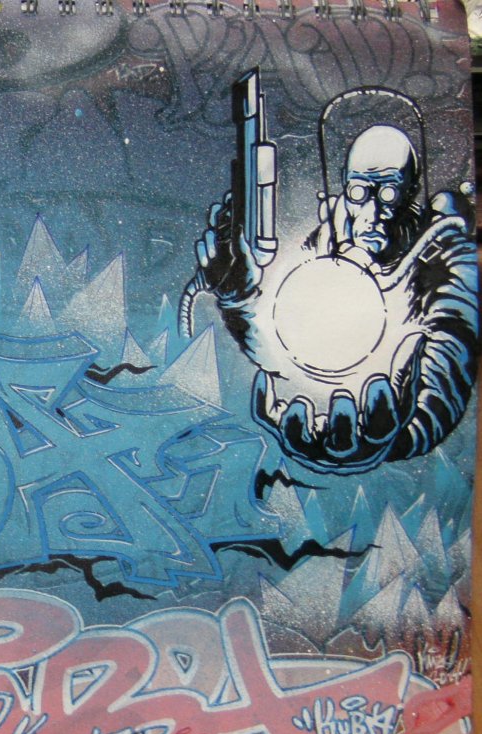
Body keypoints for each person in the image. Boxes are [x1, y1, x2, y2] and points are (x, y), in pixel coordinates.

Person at [196, 124, 478, 473]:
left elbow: (452, 351)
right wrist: (238, 298)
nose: (372, 212)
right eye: (359, 191)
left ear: (410, 192)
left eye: (388, 193)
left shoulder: (443, 253)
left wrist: (400, 436)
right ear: (345, 185)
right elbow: (282, 348)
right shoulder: (325, 243)